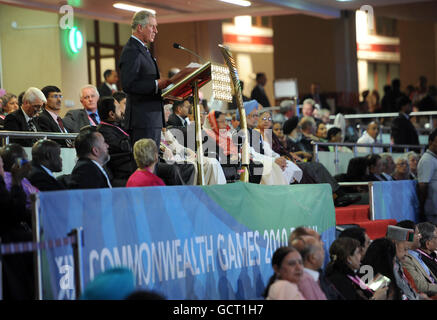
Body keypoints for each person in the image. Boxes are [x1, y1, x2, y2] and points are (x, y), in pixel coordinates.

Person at [119, 10, 171, 149]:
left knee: (152, 164)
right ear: (140, 27)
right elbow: (128, 84)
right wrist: (156, 84)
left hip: (150, 118)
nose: (156, 31)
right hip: (142, 120)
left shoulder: (142, 49)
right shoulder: (132, 50)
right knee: (145, 165)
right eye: (152, 26)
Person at [0, 154, 34, 300]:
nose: (2, 170)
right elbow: (15, 213)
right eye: (0, 166)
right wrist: (16, 181)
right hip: (8, 244)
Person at [96, 96, 136, 187]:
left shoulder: (116, 125)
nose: (122, 111)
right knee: (170, 170)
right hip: (124, 169)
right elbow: (125, 147)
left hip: (132, 163)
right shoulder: (103, 131)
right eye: (118, 109)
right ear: (112, 114)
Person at [402, 222, 437, 296]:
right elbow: (421, 287)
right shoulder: (406, 259)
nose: (420, 236)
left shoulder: (418, 255)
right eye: (417, 234)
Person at [291, 235, 327, 300]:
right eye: (322, 249)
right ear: (312, 258)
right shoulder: (305, 281)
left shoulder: (309, 278)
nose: (324, 252)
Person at [418, 128, 437, 224]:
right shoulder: (427, 160)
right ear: (430, 142)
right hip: (433, 211)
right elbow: (422, 186)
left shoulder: (434, 159)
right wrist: (422, 208)